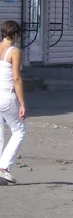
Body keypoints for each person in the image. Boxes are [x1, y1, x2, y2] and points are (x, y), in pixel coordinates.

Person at [0, 21, 26, 185]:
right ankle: (4, 167)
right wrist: (22, 103)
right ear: (15, 35)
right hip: (6, 95)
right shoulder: (14, 51)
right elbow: (16, 78)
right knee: (19, 130)